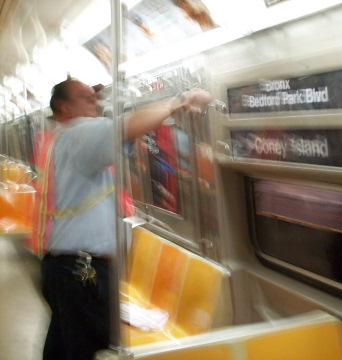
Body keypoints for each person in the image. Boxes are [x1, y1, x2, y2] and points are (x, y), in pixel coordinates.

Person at [34, 78, 213, 360]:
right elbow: (126, 126)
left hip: (66, 268)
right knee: (82, 348)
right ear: (63, 107)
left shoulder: (64, 138)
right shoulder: (80, 133)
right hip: (81, 271)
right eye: (85, 98)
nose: (95, 102)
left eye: (95, 98)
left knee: (63, 347)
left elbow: (123, 139)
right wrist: (179, 100)